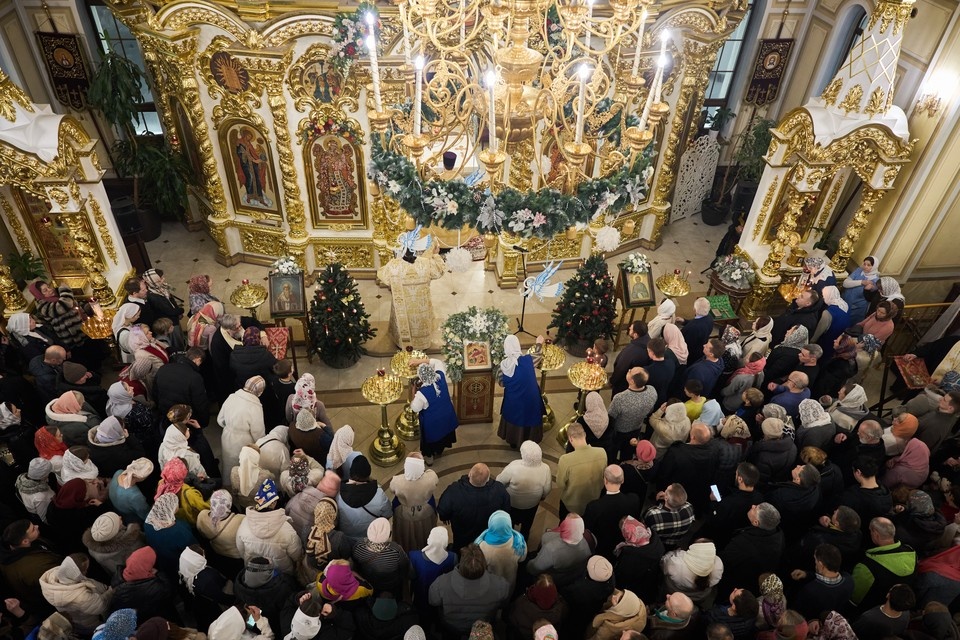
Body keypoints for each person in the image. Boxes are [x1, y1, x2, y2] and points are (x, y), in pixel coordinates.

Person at [428, 544, 510, 638]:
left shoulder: (440, 583)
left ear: (461, 563)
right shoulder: (501, 585)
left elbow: (433, 602)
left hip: (452, 627)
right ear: (484, 564)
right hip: (483, 628)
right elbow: (503, 605)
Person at [377, 243, 446, 347]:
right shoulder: (426, 263)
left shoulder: (393, 265)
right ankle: (422, 343)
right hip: (422, 309)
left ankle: (403, 343)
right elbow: (440, 271)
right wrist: (435, 255)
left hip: (403, 311)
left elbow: (383, 276)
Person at [437, 462, 510, 551]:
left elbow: (443, 510)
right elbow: (505, 510)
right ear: (487, 479)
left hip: (462, 535)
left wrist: (445, 517)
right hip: (486, 537)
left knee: (461, 551)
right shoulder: (499, 489)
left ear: (469, 474)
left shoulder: (454, 490)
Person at [236, 479, 303, 574]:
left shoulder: (244, 523)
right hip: (281, 572)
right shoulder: (286, 528)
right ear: (273, 502)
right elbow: (297, 554)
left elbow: (241, 550)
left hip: (254, 570)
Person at [851, 517, 918, 609]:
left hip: (871, 610)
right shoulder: (911, 552)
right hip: (896, 607)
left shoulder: (867, 566)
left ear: (876, 534)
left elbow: (855, 597)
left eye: (871, 531)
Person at [0, 520, 63, 614]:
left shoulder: (25, 544)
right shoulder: (37, 567)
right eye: (33, 529)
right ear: (25, 541)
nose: (37, 526)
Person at [496, 441, 552, 540]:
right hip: (532, 506)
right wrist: (541, 497)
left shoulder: (514, 466)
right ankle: (524, 540)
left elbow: (499, 482)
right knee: (526, 526)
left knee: (510, 524)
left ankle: (510, 540)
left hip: (512, 504)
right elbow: (547, 490)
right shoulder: (546, 468)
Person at [497, 334, 545, 448]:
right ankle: (530, 441)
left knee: (514, 417)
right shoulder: (528, 360)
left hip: (513, 402)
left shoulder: (502, 367)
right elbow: (539, 356)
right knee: (530, 416)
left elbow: (501, 383)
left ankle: (514, 441)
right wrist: (539, 343)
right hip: (530, 400)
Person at [219, 376, 268, 485]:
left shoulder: (232, 397)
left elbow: (220, 419)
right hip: (243, 441)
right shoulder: (255, 406)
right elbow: (258, 432)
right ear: (259, 391)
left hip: (227, 436)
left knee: (228, 464)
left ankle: (227, 485)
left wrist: (230, 428)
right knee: (242, 467)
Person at [409, 359, 458, 463]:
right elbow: (437, 362)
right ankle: (440, 450)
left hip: (433, 423)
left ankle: (429, 458)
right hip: (446, 416)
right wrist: (419, 361)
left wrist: (413, 390)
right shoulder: (441, 376)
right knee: (444, 435)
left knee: (431, 440)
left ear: (421, 378)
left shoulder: (422, 394)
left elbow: (414, 408)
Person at [389, 453, 439, 552]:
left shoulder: (397, 481)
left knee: (405, 534)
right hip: (426, 511)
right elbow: (435, 481)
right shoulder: (431, 478)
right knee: (425, 532)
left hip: (403, 513)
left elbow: (392, 490)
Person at [556, 423, 607, 518]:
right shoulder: (602, 452)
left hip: (571, 505)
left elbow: (560, 484)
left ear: (570, 439)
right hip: (593, 502)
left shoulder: (565, 459)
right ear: (585, 435)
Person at [336, 455, 392, 539]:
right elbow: (388, 513)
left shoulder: (339, 495)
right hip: (370, 535)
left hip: (347, 536)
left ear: (351, 473)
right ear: (368, 473)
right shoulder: (379, 495)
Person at [608, 367, 657, 461]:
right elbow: (650, 410)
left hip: (619, 432)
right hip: (637, 428)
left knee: (613, 451)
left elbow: (611, 417)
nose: (629, 369)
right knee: (628, 453)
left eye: (630, 371)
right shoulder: (652, 391)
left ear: (632, 381)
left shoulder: (620, 398)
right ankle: (625, 465)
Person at [352, 518, 409, 595]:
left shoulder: (359, 546)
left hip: (369, 583)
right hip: (391, 584)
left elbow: (356, 562)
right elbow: (404, 566)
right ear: (389, 535)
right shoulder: (395, 550)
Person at [527, 513, 592, 577]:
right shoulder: (589, 543)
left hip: (552, 576)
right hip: (570, 575)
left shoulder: (550, 548)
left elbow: (533, 569)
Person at [476, 510, 527, 588]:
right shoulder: (518, 542)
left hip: (492, 584)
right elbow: (522, 559)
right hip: (510, 581)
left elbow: (480, 567)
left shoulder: (482, 546)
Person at [644, 483, 696, 550]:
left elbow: (646, 528)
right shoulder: (689, 508)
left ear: (666, 497)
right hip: (674, 542)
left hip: (657, 542)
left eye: (666, 490)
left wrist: (657, 502)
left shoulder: (653, 515)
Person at [611, 321, 651, 396]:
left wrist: (613, 381)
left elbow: (620, 368)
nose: (629, 328)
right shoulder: (648, 341)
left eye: (631, 329)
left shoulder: (631, 351)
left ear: (635, 334)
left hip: (624, 384)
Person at [842, 256, 880, 324]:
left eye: (868, 265)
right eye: (864, 264)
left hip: (856, 309)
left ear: (874, 266)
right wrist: (862, 282)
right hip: (844, 301)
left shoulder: (875, 280)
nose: (865, 266)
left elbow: (869, 298)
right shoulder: (859, 270)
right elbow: (845, 283)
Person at [680, 297, 714, 364]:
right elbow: (697, 321)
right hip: (701, 349)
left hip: (691, 354)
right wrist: (684, 321)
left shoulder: (690, 328)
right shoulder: (710, 318)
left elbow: (682, 340)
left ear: (694, 309)